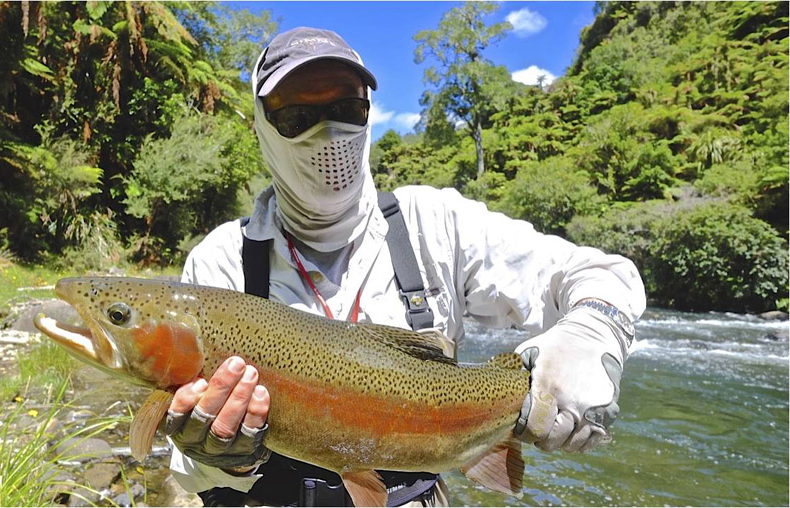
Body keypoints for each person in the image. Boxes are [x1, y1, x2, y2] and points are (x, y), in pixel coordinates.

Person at [162, 27, 646, 507]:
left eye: (346, 109)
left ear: (368, 112)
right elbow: (187, 468)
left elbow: (602, 275)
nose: (327, 133)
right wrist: (223, 456)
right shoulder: (221, 261)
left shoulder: (436, 223)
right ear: (263, 127)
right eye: (298, 116)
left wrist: (591, 332)